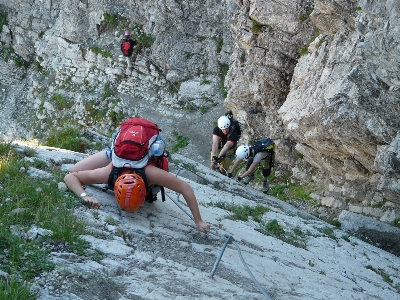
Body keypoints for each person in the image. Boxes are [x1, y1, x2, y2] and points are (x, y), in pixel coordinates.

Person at [65, 129, 210, 234]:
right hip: (116, 156)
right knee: (74, 169)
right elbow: (70, 176)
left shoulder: (151, 173)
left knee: (156, 189)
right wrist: (84, 196)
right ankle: (112, 150)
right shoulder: (108, 173)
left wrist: (198, 221)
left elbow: (184, 187)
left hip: (144, 160)